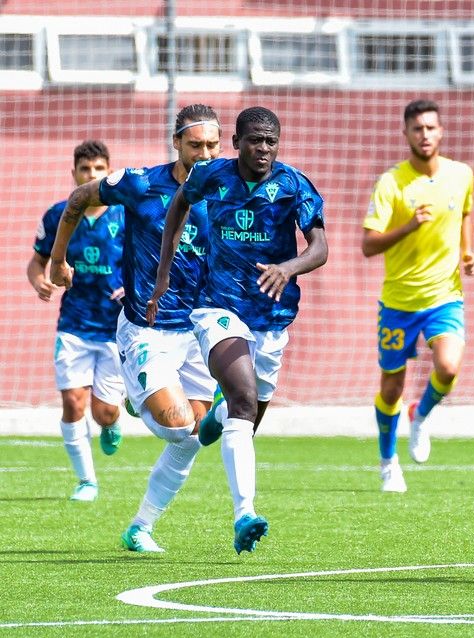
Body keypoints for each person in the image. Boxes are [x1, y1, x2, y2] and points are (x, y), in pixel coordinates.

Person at [149, 106, 327, 553]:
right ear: (237, 142)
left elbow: (320, 247)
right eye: (254, 140)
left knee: (246, 417)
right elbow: (179, 205)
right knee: (245, 399)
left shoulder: (293, 186)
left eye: (270, 141)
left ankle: (218, 416)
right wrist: (166, 267)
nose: (263, 149)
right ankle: (244, 513)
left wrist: (289, 267)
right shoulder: (212, 176)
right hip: (217, 308)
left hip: (272, 318)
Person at [50, 105, 223, 551]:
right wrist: (57, 259)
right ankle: (137, 394)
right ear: (177, 143)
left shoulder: (228, 190)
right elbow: (76, 200)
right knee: (178, 427)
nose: (204, 154)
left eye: (211, 145)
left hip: (199, 330)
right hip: (147, 329)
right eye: (195, 144)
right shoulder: (140, 183)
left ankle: (140, 527)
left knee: (195, 438)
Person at [361, 99, 474, 493]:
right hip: (398, 302)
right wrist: (409, 226)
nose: (425, 135)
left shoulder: (461, 174)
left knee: (448, 367)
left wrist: (466, 252)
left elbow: (464, 214)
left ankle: (421, 414)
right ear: (406, 134)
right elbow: (368, 245)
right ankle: (388, 461)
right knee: (391, 386)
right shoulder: (391, 183)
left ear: (440, 131)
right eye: (417, 129)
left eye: (431, 128)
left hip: (445, 296)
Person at [29, 140, 126, 502]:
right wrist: (39, 281)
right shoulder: (58, 215)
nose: (92, 176)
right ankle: (87, 481)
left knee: (103, 412)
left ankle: (112, 422)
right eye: (85, 170)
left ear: (108, 173)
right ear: (74, 174)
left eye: (99, 169)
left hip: (116, 329)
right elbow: (37, 263)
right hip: (74, 324)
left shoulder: (125, 214)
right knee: (73, 403)